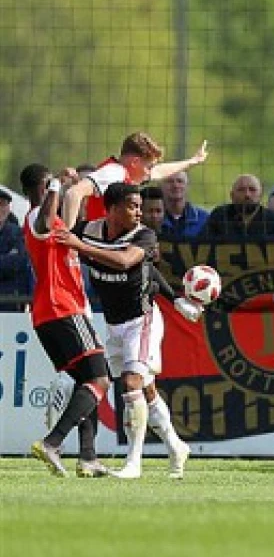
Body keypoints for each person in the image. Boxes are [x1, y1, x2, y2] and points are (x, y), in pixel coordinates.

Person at [56, 183, 200, 479]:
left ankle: (133, 463)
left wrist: (174, 300)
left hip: (142, 320)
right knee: (146, 390)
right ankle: (176, 445)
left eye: (140, 206)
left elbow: (127, 261)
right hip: (113, 324)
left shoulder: (144, 235)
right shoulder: (89, 230)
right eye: (132, 206)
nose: (139, 212)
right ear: (111, 209)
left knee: (131, 383)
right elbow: (58, 231)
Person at [19, 164, 115, 477]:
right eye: (49, 186)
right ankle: (52, 442)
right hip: (62, 309)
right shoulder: (37, 216)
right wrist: (57, 186)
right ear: (41, 188)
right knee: (100, 379)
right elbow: (45, 221)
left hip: (58, 312)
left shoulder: (58, 221)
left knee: (84, 383)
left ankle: (88, 458)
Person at [59, 133, 209, 230]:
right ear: (135, 162)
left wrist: (192, 161)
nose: (149, 172)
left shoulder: (127, 174)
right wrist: (68, 237)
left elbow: (159, 171)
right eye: (148, 166)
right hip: (98, 248)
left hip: (109, 246)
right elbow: (73, 193)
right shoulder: (113, 172)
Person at [203, 175, 274, 241]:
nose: (247, 195)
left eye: (252, 190)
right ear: (232, 195)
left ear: (260, 195)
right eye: (241, 190)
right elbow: (201, 244)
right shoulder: (219, 216)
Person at [157, 170, 210, 240]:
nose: (175, 185)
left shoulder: (205, 219)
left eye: (180, 181)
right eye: (169, 181)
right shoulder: (152, 217)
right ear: (160, 186)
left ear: (188, 186)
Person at [0, 186, 31, 301]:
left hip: (11, 298)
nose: (0, 209)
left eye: (3, 204)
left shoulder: (17, 233)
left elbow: (19, 261)